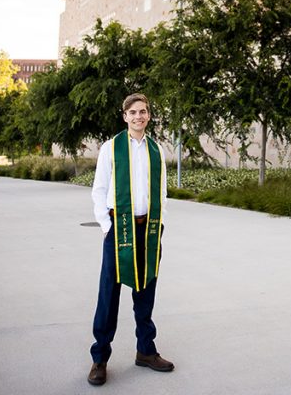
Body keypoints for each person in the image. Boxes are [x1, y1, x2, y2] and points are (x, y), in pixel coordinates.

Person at [88, 93, 174, 386]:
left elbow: (160, 190)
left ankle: (145, 351)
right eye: (133, 112)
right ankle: (99, 358)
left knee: (146, 289)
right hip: (118, 228)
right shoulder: (111, 148)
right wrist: (105, 226)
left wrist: (159, 224)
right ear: (125, 116)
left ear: (149, 116)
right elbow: (99, 189)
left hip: (148, 228)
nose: (139, 116)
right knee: (109, 295)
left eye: (144, 112)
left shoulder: (156, 150)